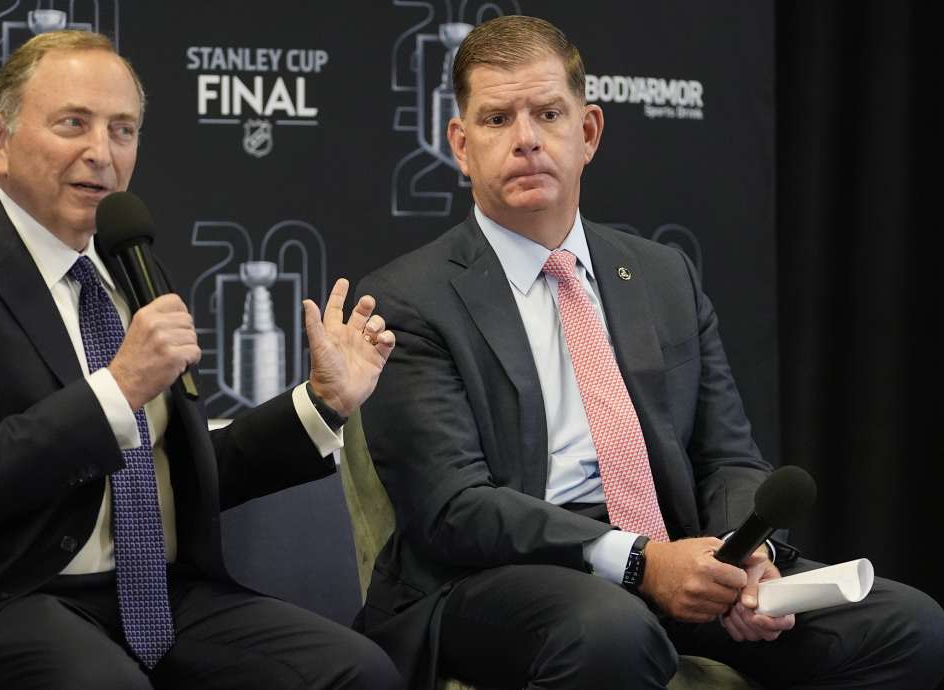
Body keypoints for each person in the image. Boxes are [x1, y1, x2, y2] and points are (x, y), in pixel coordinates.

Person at [355, 14, 944, 690]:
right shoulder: (409, 298)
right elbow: (453, 508)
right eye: (496, 120)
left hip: (681, 559)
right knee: (613, 631)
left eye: (548, 113)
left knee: (911, 628)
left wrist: (743, 558)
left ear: (588, 132)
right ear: (460, 144)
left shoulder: (663, 274)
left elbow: (726, 459)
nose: (525, 140)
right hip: (500, 580)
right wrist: (640, 563)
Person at [0, 30, 401, 690]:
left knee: (356, 671)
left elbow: (179, 473)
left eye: (123, 130)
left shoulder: (132, 265)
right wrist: (117, 390)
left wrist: (321, 405)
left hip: (158, 595)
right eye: (73, 124)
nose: (101, 154)